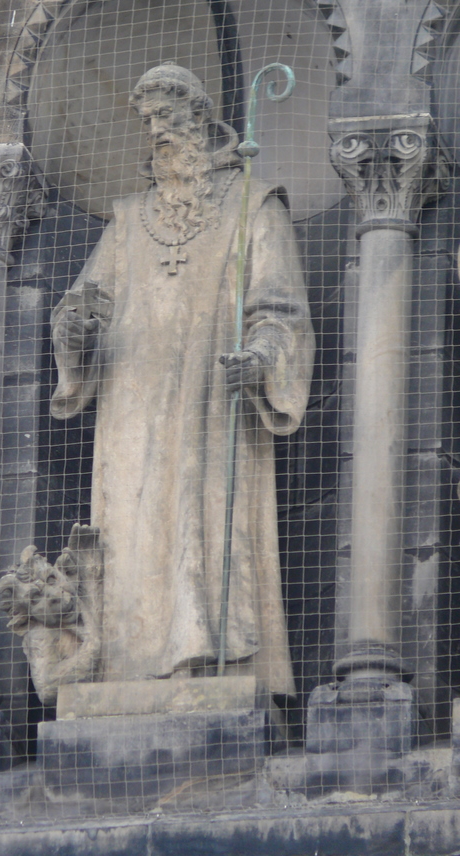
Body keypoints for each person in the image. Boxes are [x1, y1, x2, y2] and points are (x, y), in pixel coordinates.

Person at [50, 64, 314, 696]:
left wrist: (260, 356)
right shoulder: (127, 218)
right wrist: (75, 331)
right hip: (131, 405)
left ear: (200, 118)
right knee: (131, 525)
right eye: (147, 122)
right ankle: (125, 669)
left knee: (206, 524)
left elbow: (281, 309)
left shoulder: (253, 203)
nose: (156, 132)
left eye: (167, 118)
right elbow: (79, 306)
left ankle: (213, 661)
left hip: (213, 401)